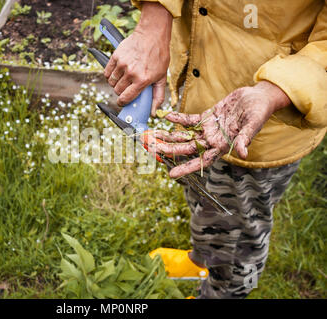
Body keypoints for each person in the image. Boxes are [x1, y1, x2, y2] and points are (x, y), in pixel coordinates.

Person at [104, 0, 327, 298]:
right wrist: (155, 17)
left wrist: (277, 90)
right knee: (204, 202)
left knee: (234, 240)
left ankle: (222, 292)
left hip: (262, 130)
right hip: (199, 97)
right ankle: (201, 259)